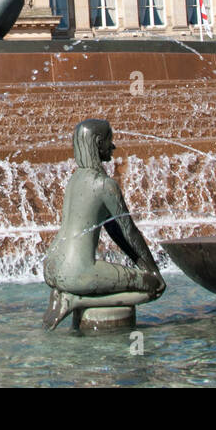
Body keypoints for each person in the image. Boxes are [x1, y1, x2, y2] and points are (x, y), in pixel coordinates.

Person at [42, 119, 166, 330]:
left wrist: (140, 265)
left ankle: (62, 293)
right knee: (153, 289)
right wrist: (153, 273)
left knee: (144, 280)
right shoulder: (104, 184)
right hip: (77, 272)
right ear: (99, 143)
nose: (113, 147)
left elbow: (116, 232)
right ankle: (75, 301)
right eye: (110, 141)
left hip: (51, 267)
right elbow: (130, 233)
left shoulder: (75, 179)